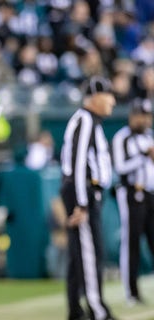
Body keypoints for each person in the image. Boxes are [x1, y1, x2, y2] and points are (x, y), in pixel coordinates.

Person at [60, 76, 116, 320]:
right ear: (95, 97)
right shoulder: (84, 120)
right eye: (108, 95)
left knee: (79, 255)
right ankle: (97, 309)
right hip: (82, 192)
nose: (113, 101)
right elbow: (78, 162)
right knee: (91, 253)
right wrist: (81, 203)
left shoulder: (92, 121)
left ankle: (75, 310)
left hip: (86, 192)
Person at [112, 98, 154, 306]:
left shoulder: (149, 136)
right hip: (131, 194)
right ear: (132, 116)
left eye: (148, 115)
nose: (146, 119)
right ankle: (132, 292)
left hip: (150, 194)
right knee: (132, 242)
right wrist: (144, 155)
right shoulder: (122, 138)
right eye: (142, 115)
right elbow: (120, 167)